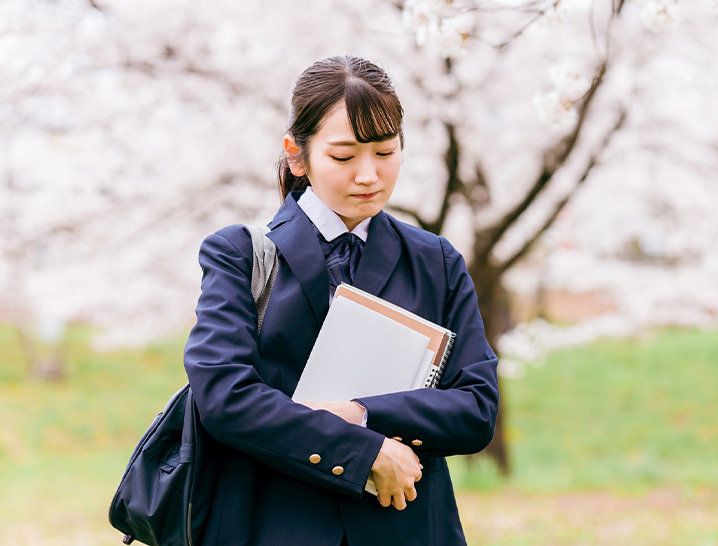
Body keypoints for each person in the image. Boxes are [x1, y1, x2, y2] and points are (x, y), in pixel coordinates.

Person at [183, 55, 500, 545]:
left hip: (408, 526)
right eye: (344, 157)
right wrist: (365, 452)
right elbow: (225, 396)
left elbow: (475, 409)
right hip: (272, 525)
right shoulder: (240, 254)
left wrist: (361, 414)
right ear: (297, 154)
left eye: (385, 152)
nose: (369, 175)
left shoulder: (436, 261)